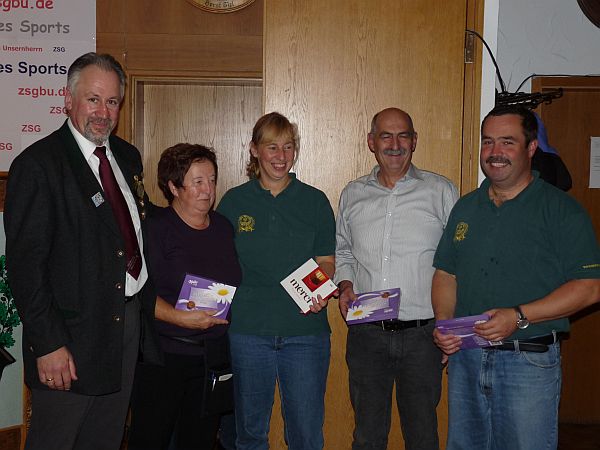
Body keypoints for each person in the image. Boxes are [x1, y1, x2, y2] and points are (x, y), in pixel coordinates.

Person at [3, 52, 162, 450]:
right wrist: (49, 344)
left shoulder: (127, 157)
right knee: (56, 441)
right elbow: (26, 269)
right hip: (69, 342)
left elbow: (133, 229)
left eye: (112, 102)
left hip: (124, 329)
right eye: (93, 99)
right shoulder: (38, 165)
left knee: (105, 440)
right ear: (68, 99)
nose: (103, 112)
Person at [432, 105, 600, 450]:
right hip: (467, 357)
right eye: (488, 141)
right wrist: (444, 324)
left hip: (528, 361)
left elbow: (589, 288)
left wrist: (519, 316)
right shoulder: (465, 207)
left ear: (531, 147)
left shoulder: (561, 210)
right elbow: (446, 272)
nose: (495, 152)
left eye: (507, 142)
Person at [335, 107, 458, 450]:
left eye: (403, 135)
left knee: (422, 435)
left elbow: (458, 261)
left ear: (414, 141)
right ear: (371, 141)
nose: (394, 144)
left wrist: (451, 325)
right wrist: (345, 285)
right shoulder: (353, 193)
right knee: (367, 435)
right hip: (367, 332)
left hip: (423, 335)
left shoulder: (441, 191)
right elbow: (343, 251)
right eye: (385, 136)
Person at [217, 112, 336, 450]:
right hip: (248, 333)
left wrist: (320, 289)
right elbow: (218, 263)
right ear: (255, 150)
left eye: (288, 147)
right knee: (250, 434)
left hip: (305, 333)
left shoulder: (314, 201)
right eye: (272, 147)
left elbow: (326, 261)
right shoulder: (233, 202)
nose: (281, 156)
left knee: (305, 435)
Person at [127, 143, 242, 450]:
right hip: (164, 357)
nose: (208, 190)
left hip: (212, 357)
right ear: (173, 187)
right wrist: (180, 318)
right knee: (150, 441)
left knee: (200, 442)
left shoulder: (223, 227)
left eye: (212, 180)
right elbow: (136, 293)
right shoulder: (154, 229)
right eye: (198, 182)